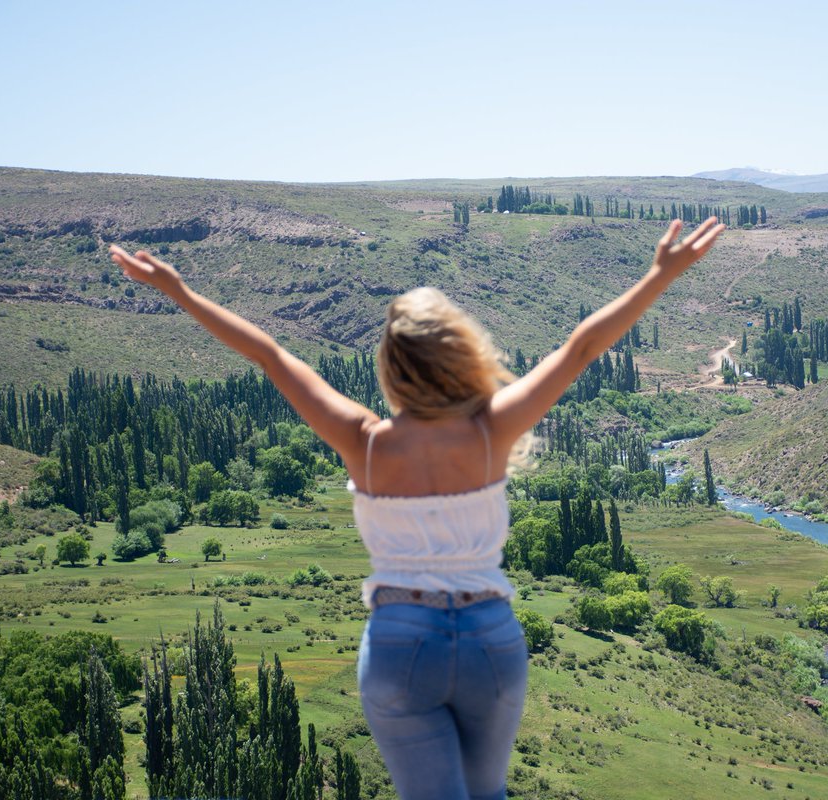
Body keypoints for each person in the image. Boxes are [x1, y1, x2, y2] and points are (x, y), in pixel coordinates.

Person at [109, 215, 725, 800]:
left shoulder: (365, 443)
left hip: (402, 644)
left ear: (390, 368)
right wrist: (661, 275)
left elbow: (269, 356)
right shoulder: (491, 432)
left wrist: (179, 290)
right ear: (462, 360)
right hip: (490, 639)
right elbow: (582, 348)